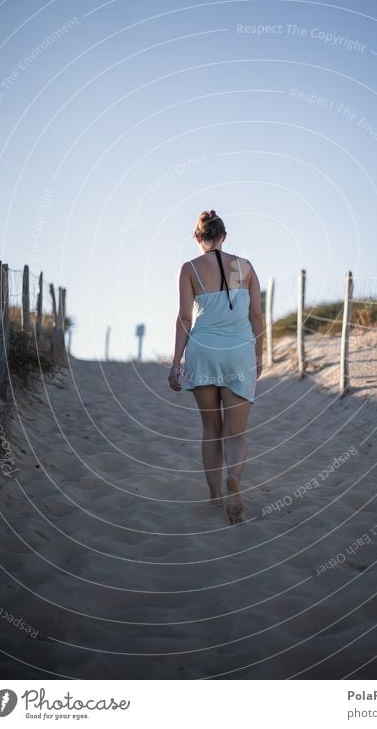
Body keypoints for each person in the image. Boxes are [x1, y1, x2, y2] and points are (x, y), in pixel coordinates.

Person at [168, 210, 264, 523]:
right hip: (239, 353)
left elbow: (184, 317)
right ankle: (233, 477)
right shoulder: (245, 267)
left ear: (197, 238)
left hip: (203, 351)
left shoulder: (189, 268)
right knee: (236, 434)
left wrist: (175, 362)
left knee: (211, 429)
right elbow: (257, 318)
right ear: (224, 236)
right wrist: (259, 356)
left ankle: (214, 498)